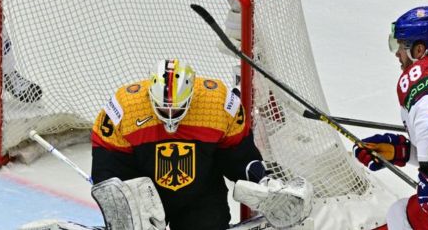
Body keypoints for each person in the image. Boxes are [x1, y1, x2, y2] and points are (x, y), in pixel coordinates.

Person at [90, 59, 311, 229]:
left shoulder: (217, 104)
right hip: (145, 195)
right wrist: (121, 202)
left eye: (177, 108)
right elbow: (108, 161)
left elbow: (238, 155)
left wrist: (262, 181)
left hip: (201, 196)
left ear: (192, 95)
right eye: (163, 108)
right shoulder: (125, 108)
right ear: (149, 94)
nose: (170, 115)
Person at [354, 6, 428, 230]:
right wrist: (402, 152)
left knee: (400, 214)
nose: (397, 54)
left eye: (401, 46)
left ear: (418, 49)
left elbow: (427, 124)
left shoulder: (418, 74)